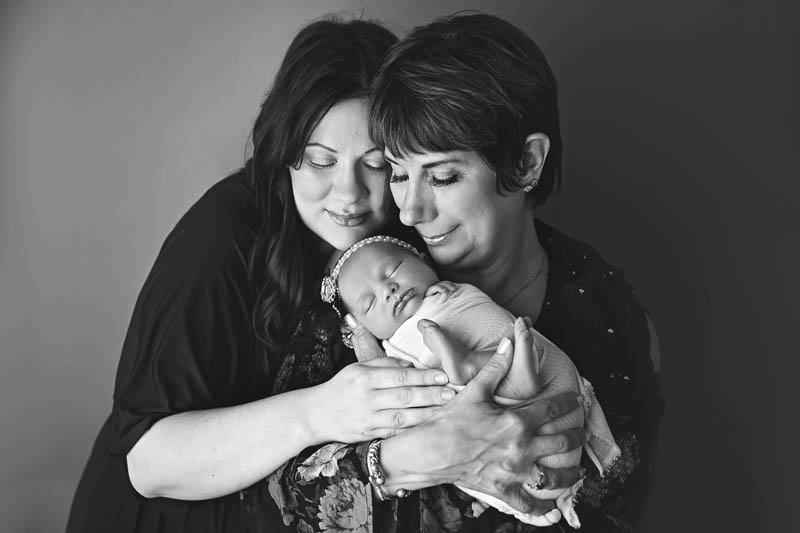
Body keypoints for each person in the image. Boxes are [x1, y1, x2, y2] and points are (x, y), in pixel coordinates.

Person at [66, 16, 585, 533]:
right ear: (286, 153)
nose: (348, 195)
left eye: (379, 165)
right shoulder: (223, 236)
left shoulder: (410, 230)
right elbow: (149, 463)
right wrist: (322, 411)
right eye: (319, 161)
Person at [354, 11, 665, 532]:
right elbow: (279, 494)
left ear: (526, 163)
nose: (410, 211)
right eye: (399, 173)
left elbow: (608, 517)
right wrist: (405, 459)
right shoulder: (374, 277)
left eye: (444, 176)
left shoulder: (612, 326)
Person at [322, 234, 624, 528]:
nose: (387, 289)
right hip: (509, 449)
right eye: (369, 303)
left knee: (501, 344)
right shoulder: (392, 347)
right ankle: (484, 373)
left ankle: (482, 369)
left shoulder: (450, 293)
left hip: (555, 400)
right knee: (460, 393)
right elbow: (384, 389)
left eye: (393, 270)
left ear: (423, 260)